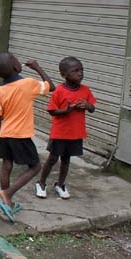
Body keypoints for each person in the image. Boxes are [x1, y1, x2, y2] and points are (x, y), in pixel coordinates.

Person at [0, 52, 54, 223]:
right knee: (35, 167)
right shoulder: (28, 83)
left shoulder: (0, 90)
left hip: (4, 133)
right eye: (17, 60)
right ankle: (7, 194)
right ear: (16, 67)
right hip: (20, 135)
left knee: (7, 165)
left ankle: (7, 203)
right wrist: (37, 67)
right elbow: (51, 86)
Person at [36, 57, 96, 199]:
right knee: (52, 159)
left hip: (75, 133)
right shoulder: (59, 91)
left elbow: (92, 108)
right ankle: (41, 183)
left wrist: (88, 106)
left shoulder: (85, 90)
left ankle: (60, 184)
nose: (80, 73)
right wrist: (66, 111)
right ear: (64, 75)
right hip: (60, 133)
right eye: (75, 71)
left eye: (81, 70)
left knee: (66, 160)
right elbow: (51, 110)